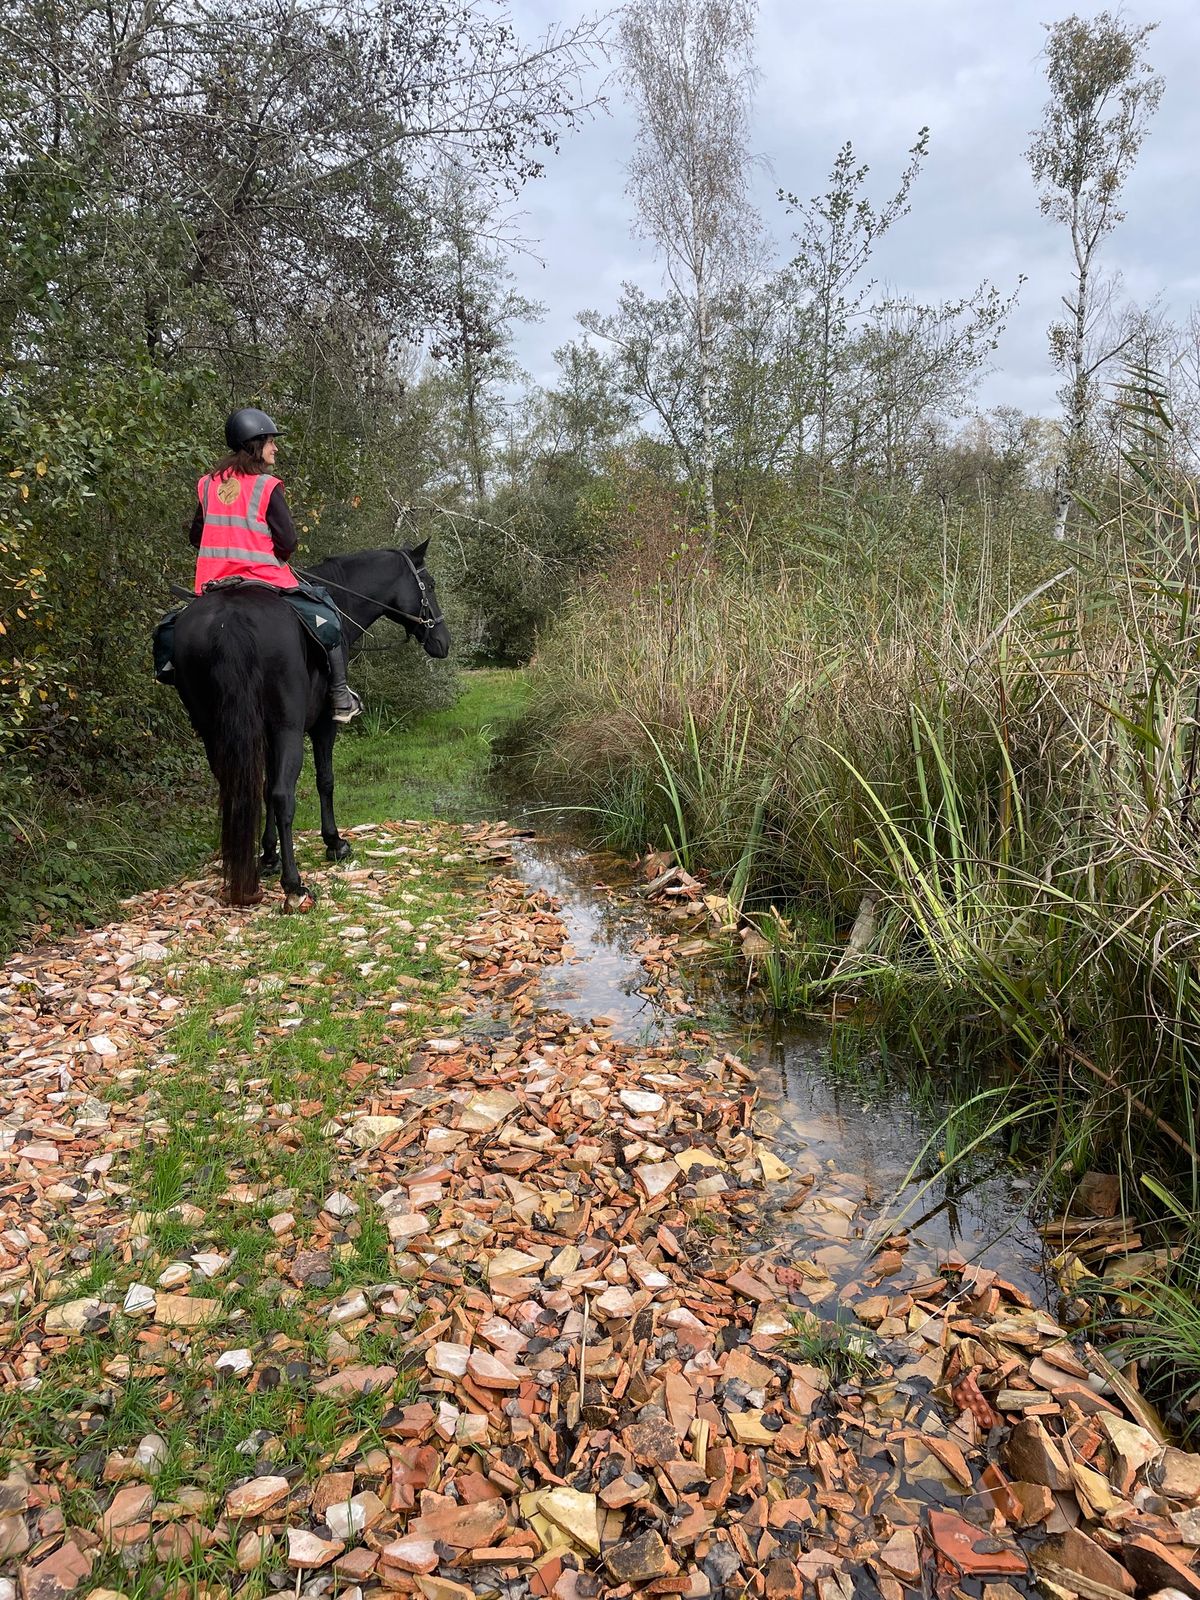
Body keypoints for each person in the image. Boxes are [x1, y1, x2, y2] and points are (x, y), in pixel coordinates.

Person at [189, 407, 361, 722]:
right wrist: (274, 552)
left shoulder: (207, 484)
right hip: (264, 579)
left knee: (175, 627)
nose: (275, 448)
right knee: (327, 615)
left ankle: (170, 665)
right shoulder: (265, 485)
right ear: (255, 444)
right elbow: (288, 541)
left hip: (211, 584)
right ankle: (339, 695)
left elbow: (196, 535)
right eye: (270, 441)